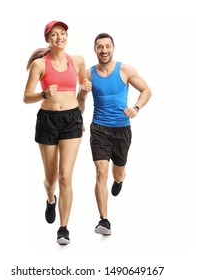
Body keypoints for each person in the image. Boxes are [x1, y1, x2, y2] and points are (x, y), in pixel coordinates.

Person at [23, 20, 92, 245]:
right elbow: (26, 97)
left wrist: (85, 90)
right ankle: (50, 198)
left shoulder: (78, 61)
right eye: (54, 34)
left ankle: (63, 228)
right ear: (48, 39)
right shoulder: (40, 65)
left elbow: (82, 91)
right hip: (48, 121)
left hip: (71, 119)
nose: (59, 37)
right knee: (51, 179)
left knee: (65, 176)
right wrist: (43, 94)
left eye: (62, 33)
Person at [77, 33, 152, 235]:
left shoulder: (125, 70)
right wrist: (79, 118)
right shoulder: (88, 75)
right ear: (95, 49)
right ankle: (104, 220)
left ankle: (119, 180)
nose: (104, 50)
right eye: (100, 47)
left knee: (117, 172)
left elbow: (146, 90)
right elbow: (81, 100)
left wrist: (136, 108)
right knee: (101, 172)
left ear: (113, 48)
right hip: (99, 128)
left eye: (107, 46)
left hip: (122, 128)